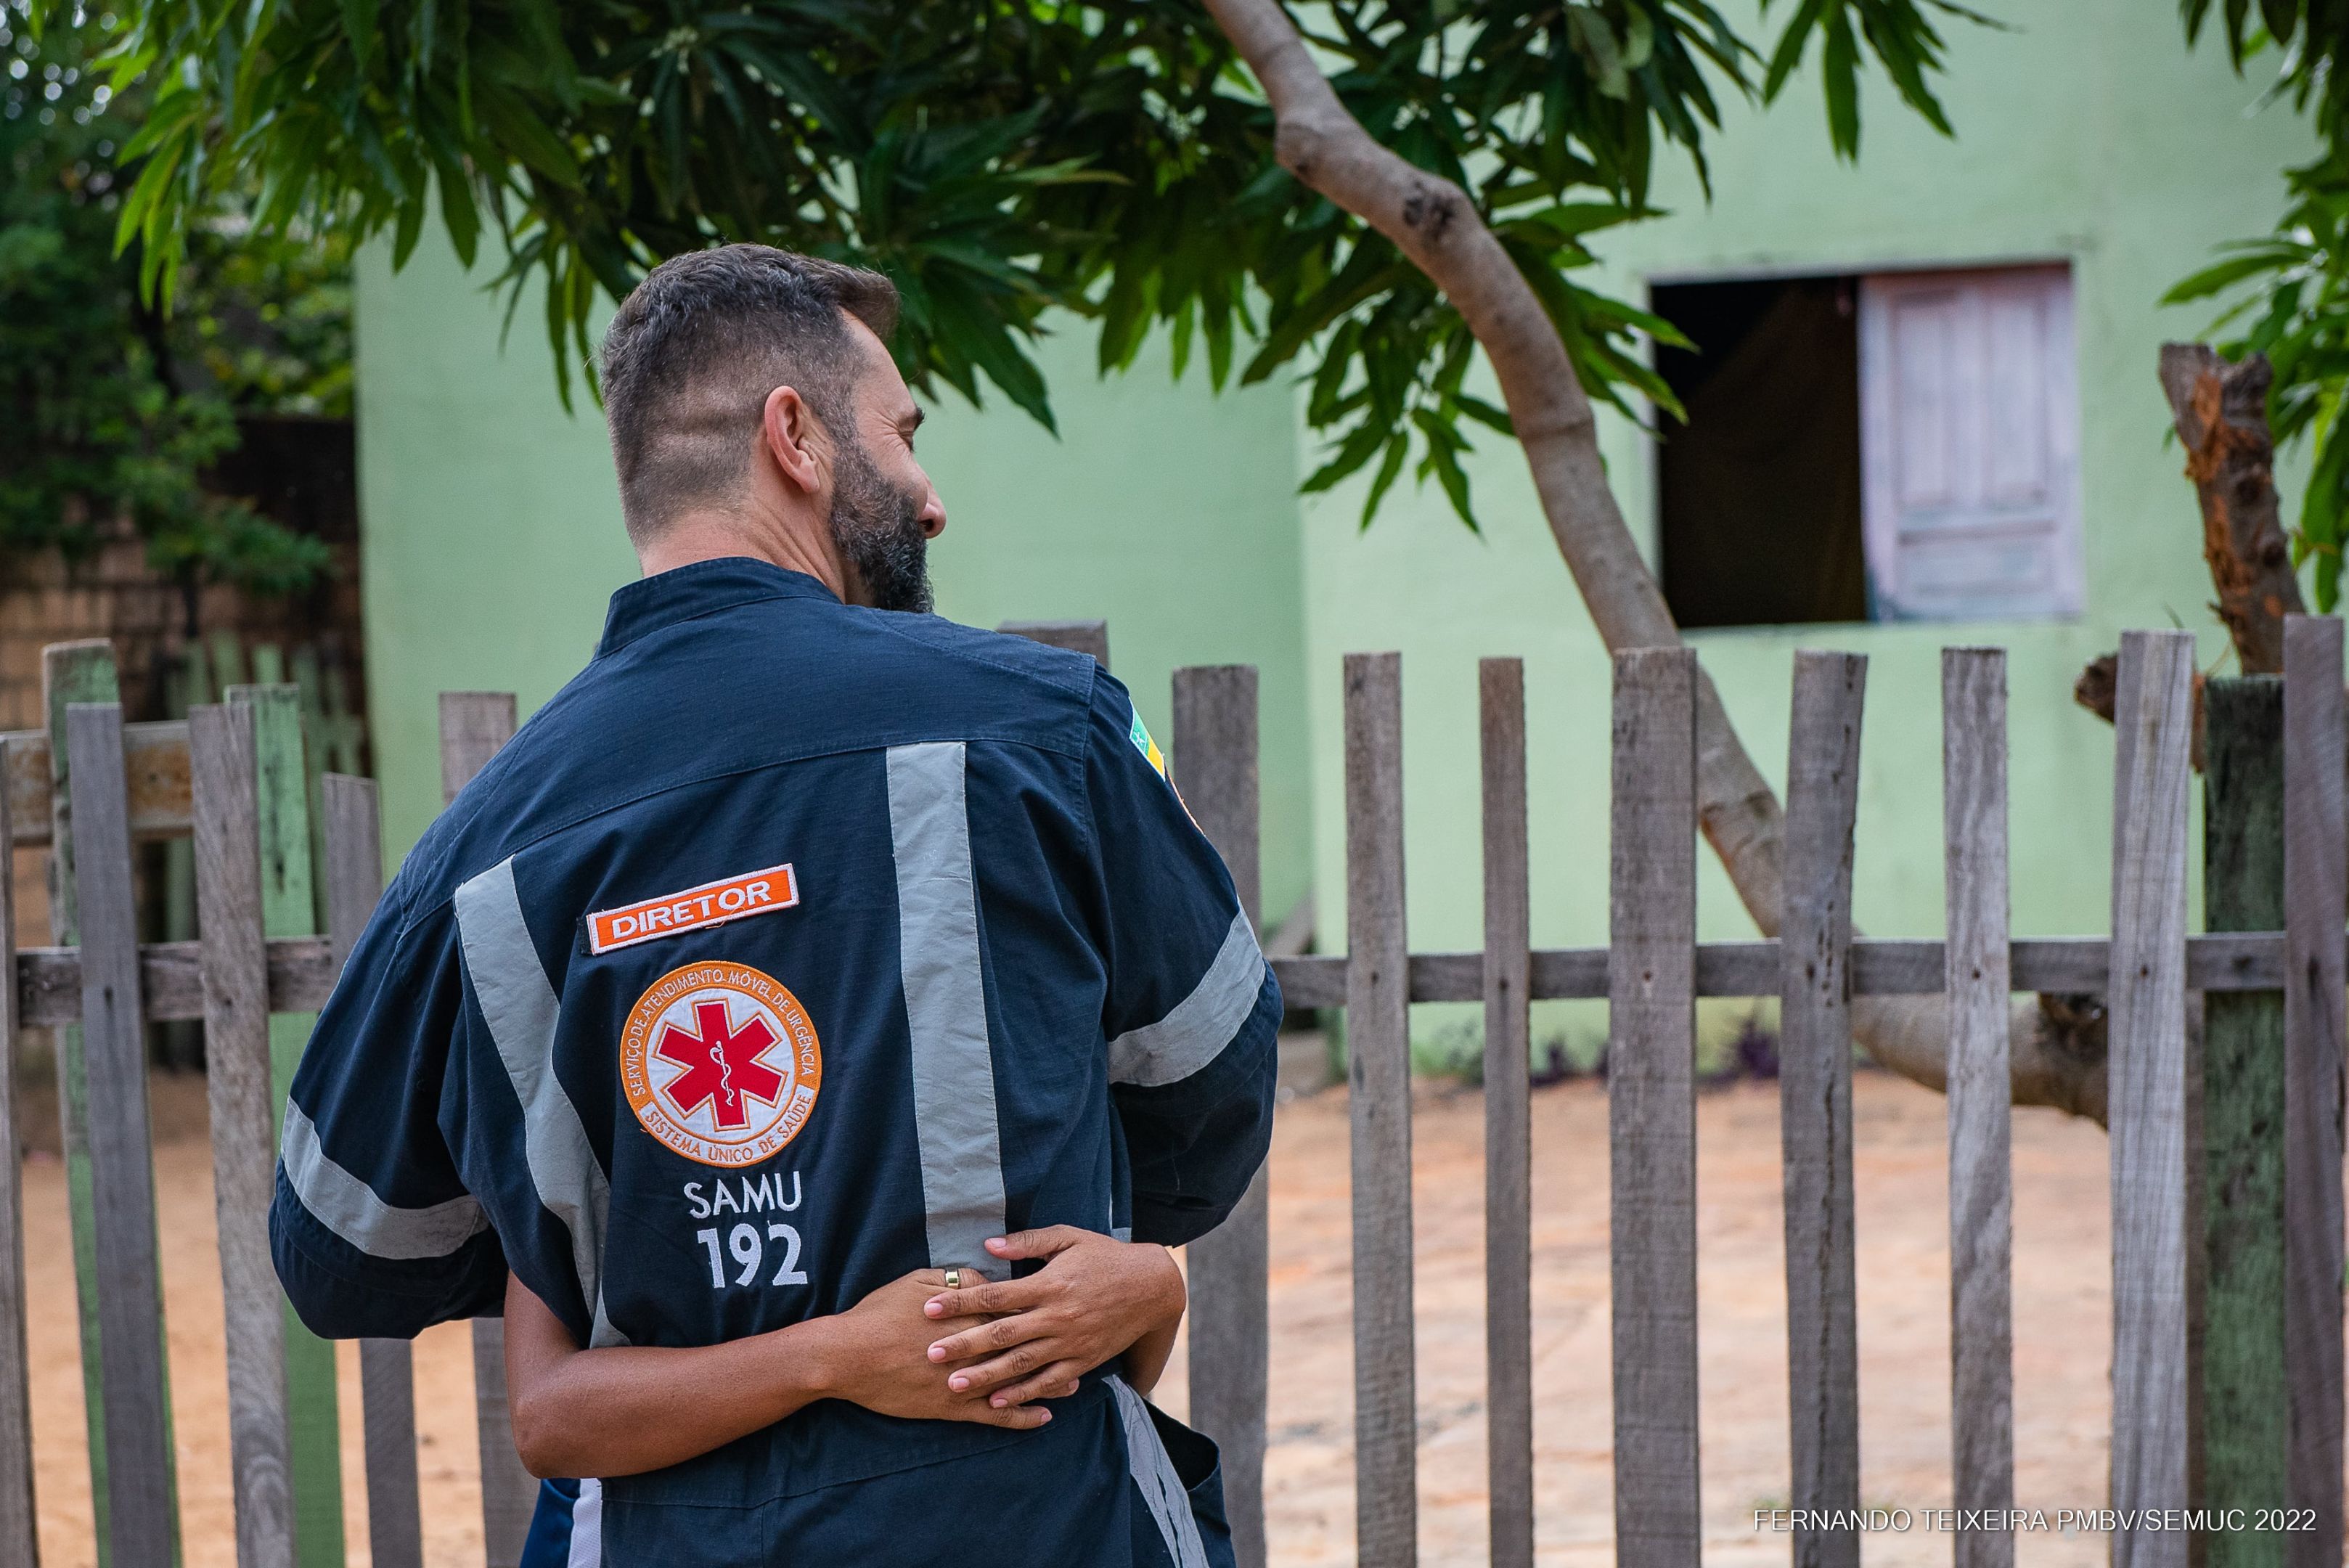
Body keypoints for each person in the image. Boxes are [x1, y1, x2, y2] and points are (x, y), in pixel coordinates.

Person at [270, 244, 1280, 1567]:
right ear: (794, 438)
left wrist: (611, 1227)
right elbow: (1211, 1096)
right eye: (905, 435)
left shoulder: (483, 851)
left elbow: (341, 1249)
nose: (928, 500)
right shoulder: (1046, 732)